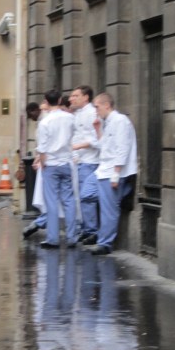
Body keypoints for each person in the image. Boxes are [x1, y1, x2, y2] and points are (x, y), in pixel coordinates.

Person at [84, 92, 137, 255]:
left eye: (97, 106)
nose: (96, 110)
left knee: (109, 208)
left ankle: (105, 242)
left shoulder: (120, 121)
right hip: (103, 169)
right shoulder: (107, 122)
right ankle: (97, 233)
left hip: (112, 171)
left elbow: (122, 148)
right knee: (86, 194)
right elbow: (104, 145)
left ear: (107, 105)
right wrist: (98, 129)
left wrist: (116, 174)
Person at [34, 89, 77, 249]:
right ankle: (72, 237)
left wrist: (43, 165)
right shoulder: (70, 118)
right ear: (60, 100)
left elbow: (42, 148)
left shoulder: (45, 122)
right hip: (66, 162)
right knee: (69, 200)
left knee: (51, 202)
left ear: (46, 101)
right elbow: (73, 136)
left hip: (50, 164)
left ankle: (53, 238)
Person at [69, 85, 100, 242]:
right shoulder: (78, 114)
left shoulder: (92, 113)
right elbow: (76, 136)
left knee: (86, 196)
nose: (71, 98)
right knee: (79, 197)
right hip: (80, 160)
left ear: (86, 97)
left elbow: (96, 139)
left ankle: (92, 230)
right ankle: (86, 228)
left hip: (90, 160)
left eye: (75, 95)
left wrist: (77, 147)